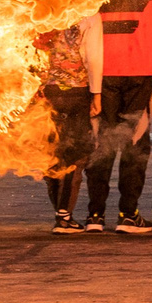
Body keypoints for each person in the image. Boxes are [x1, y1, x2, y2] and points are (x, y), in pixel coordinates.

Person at [86, 0, 152, 233]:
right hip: (139, 68)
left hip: (102, 69)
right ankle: (128, 214)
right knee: (134, 142)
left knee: (102, 141)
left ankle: (94, 216)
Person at [36, 13, 103, 233]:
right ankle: (64, 216)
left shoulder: (43, 9)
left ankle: (60, 212)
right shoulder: (90, 14)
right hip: (77, 91)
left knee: (53, 152)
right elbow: (93, 58)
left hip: (49, 91)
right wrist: (97, 94)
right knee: (74, 154)